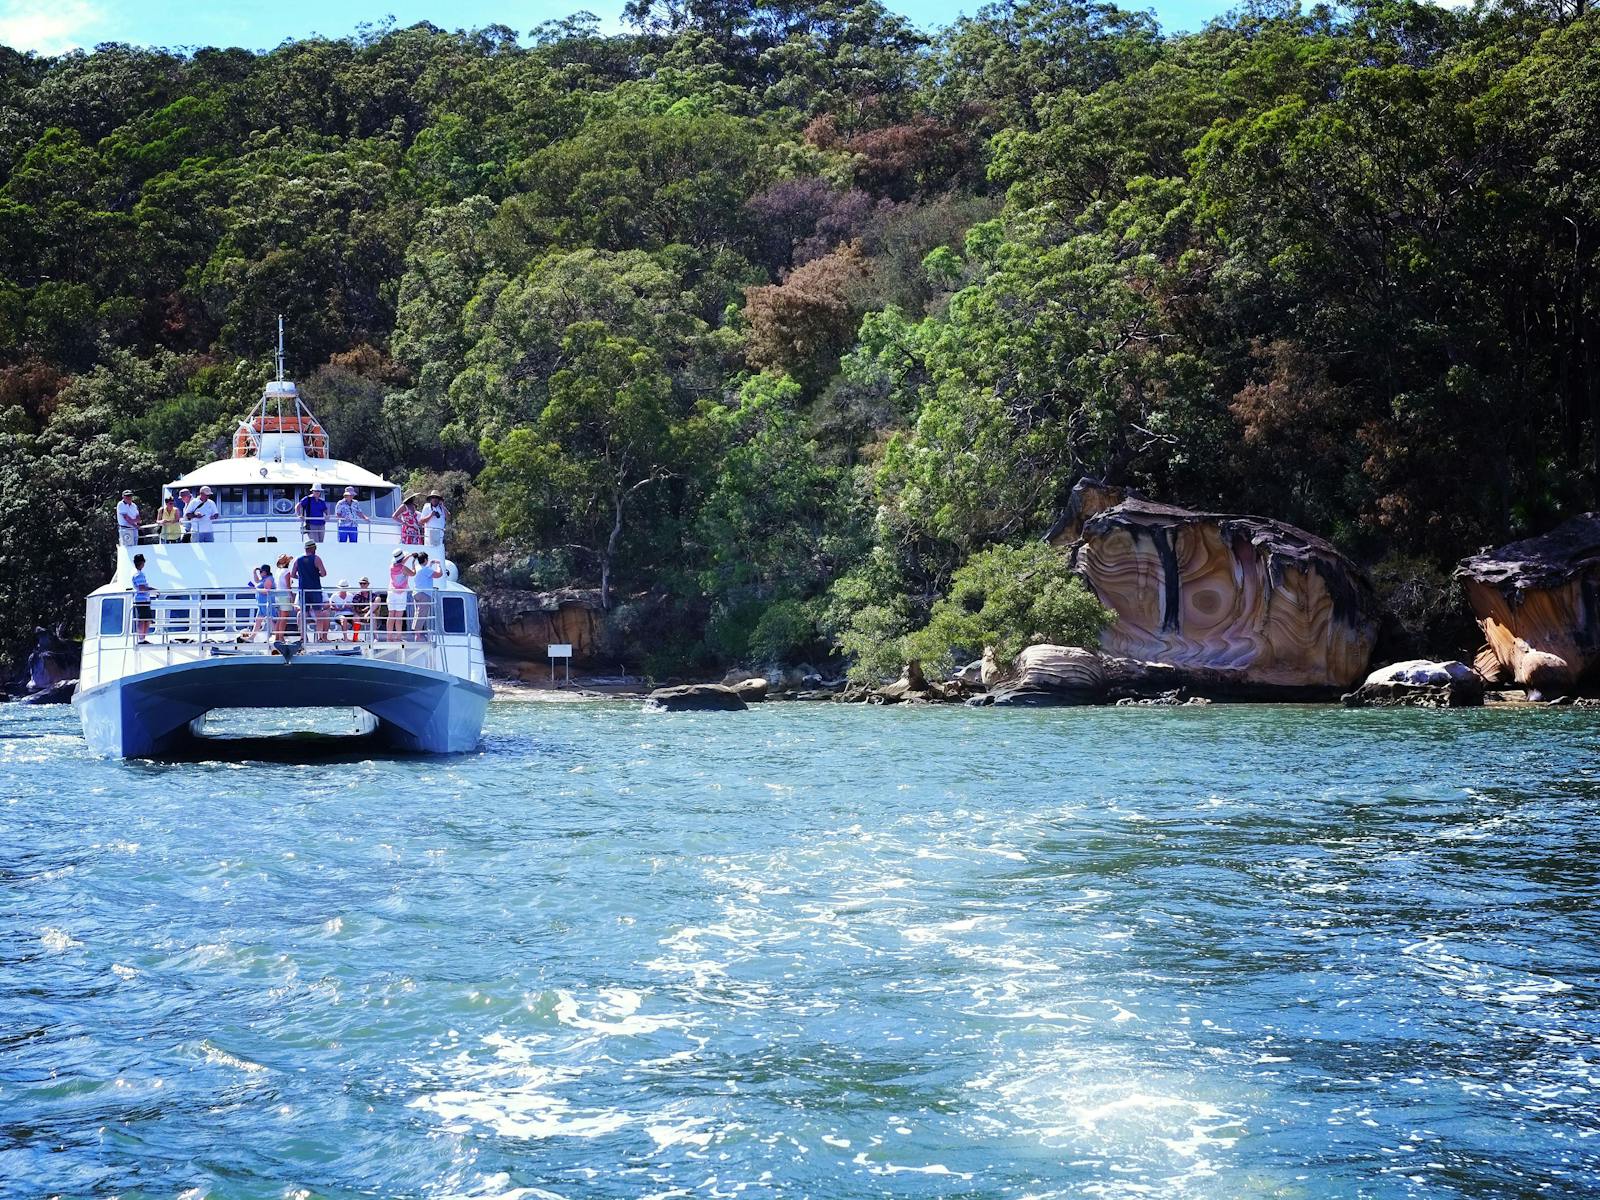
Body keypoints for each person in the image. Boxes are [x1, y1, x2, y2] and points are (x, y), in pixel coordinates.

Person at [293, 540, 329, 640]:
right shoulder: (316, 559)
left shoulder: (298, 559)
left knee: (303, 613)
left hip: (303, 590)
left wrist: (302, 577)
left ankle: (303, 638)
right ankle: (319, 637)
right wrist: (315, 575)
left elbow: (292, 574)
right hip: (315, 590)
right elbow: (324, 573)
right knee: (318, 613)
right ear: (313, 548)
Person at [411, 550, 441, 637]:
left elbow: (426, 572)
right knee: (422, 614)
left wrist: (430, 564)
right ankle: (417, 635)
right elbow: (439, 574)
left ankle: (415, 631)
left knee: (418, 613)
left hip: (416, 593)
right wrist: (438, 565)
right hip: (424, 594)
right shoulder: (426, 569)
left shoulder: (417, 567)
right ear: (425, 560)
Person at [386, 548, 414, 641]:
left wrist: (409, 556)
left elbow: (401, 562)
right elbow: (413, 573)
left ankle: (389, 638)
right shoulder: (403, 568)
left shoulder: (391, 566)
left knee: (391, 615)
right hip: (401, 594)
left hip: (391, 592)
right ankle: (398, 638)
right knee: (399, 617)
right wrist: (413, 563)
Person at [130, 553, 157, 643]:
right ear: (141, 563)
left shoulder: (138, 573)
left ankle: (143, 638)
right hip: (141, 600)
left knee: (146, 620)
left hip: (144, 599)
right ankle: (141, 639)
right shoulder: (138, 574)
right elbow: (142, 588)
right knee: (142, 620)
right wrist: (153, 590)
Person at [244, 564, 274, 641]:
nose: (260, 573)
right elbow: (257, 581)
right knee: (258, 621)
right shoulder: (263, 579)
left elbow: (267, 591)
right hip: (261, 604)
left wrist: (256, 589)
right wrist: (254, 572)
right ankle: (251, 638)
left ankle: (278, 637)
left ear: (265, 572)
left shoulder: (269, 579)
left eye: (261, 572)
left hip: (267, 603)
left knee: (271, 620)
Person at [274, 554, 296, 640]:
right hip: (284, 596)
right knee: (284, 618)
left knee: (280, 617)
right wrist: (292, 597)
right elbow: (288, 586)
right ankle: (281, 638)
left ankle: (277, 637)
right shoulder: (286, 571)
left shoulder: (278, 571)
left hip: (278, 595)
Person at [352, 576, 378, 640]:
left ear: (368, 584)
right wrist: (364, 610)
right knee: (356, 617)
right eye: (361, 583)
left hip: (370, 614)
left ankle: (376, 638)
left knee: (373, 615)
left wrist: (368, 611)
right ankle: (355, 638)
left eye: (364, 583)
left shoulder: (372, 595)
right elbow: (356, 609)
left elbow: (377, 603)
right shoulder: (357, 596)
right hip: (360, 614)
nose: (362, 585)